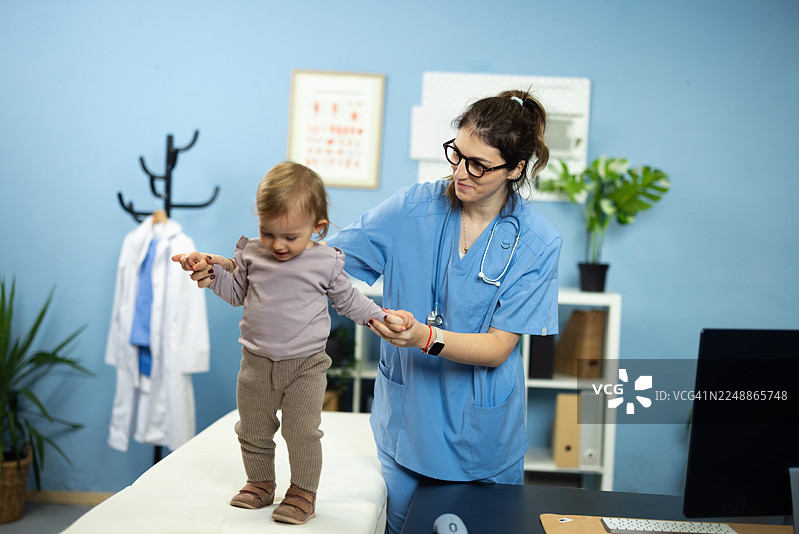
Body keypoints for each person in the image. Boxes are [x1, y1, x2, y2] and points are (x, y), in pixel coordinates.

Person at [326, 89, 562, 533]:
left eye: (479, 165)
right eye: (457, 154)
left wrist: (423, 338)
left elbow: (497, 348)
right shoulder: (412, 207)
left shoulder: (537, 242)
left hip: (483, 441)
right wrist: (244, 266)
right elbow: (323, 261)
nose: (461, 172)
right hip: (407, 425)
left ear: (515, 169)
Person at [171, 161, 412, 525]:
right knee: (252, 428)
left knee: (300, 431)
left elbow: (349, 300)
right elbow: (235, 292)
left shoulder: (325, 261)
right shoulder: (252, 253)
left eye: (290, 237)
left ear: (318, 229)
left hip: (305, 365)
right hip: (254, 362)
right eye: (268, 233)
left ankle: (302, 492)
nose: (278, 245)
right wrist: (208, 269)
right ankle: (260, 482)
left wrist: (380, 316)